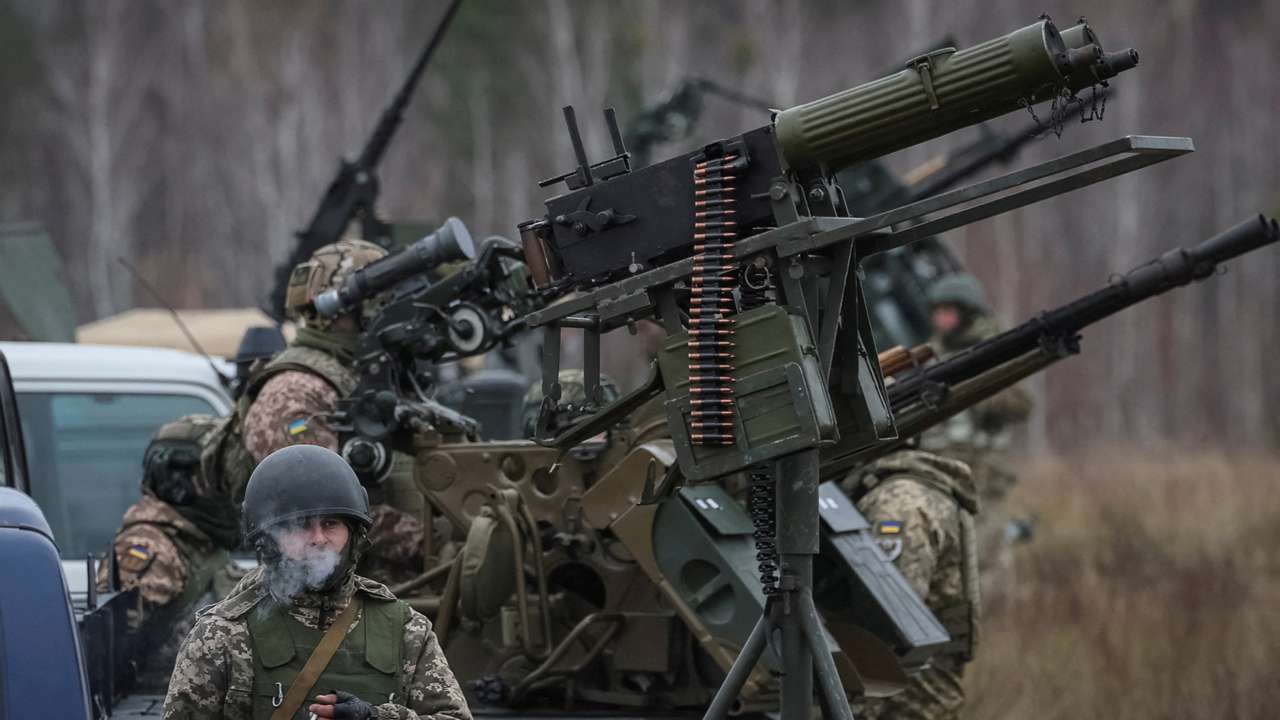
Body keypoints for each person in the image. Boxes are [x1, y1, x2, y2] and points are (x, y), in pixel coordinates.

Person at [163, 444, 471, 720]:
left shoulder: (406, 631)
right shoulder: (222, 634)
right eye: (300, 526)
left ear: (354, 535)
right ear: (269, 540)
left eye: (331, 523)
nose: (319, 539)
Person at [226, 239, 426, 585]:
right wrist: (432, 542)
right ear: (346, 308)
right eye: (379, 299)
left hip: (388, 588)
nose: (387, 308)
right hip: (325, 599)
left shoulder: (358, 376)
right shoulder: (293, 392)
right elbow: (320, 511)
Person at [96, 415, 245, 694]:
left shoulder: (198, 543)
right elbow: (107, 652)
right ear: (179, 481)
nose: (227, 485)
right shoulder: (150, 546)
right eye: (215, 473)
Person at [842, 449, 979, 720]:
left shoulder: (900, 503)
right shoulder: (907, 491)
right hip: (914, 688)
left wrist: (859, 711)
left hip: (907, 696)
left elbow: (890, 626)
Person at [919, 272, 1032, 585]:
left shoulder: (994, 351)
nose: (940, 319)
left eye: (948, 311)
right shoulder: (931, 354)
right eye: (936, 311)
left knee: (984, 552)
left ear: (967, 313)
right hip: (936, 465)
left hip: (981, 469)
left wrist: (982, 393)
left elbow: (1022, 404)